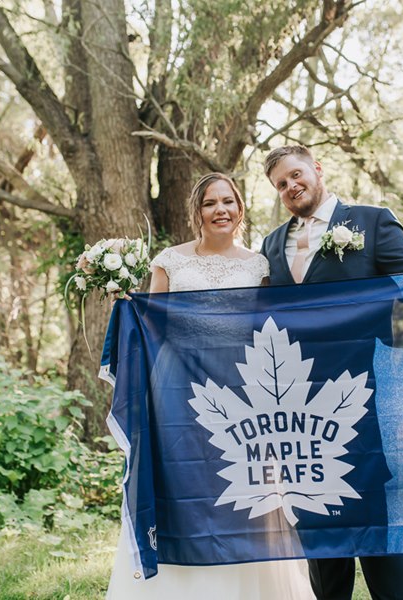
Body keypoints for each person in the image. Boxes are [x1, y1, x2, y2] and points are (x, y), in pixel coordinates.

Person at [106, 172, 314, 599]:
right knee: (185, 484)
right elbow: (152, 324)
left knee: (246, 486)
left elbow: (266, 330)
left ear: (239, 209)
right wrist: (126, 306)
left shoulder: (259, 265)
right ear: (197, 212)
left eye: (228, 202)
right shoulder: (170, 261)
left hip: (241, 390)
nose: (220, 210)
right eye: (209, 203)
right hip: (177, 389)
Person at [260, 145, 403, 600]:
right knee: (319, 533)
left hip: (359, 401)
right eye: (281, 185)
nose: (291, 187)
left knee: (375, 527)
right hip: (295, 413)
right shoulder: (272, 244)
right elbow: (257, 318)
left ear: (317, 169)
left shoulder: (372, 223)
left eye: (296, 175)